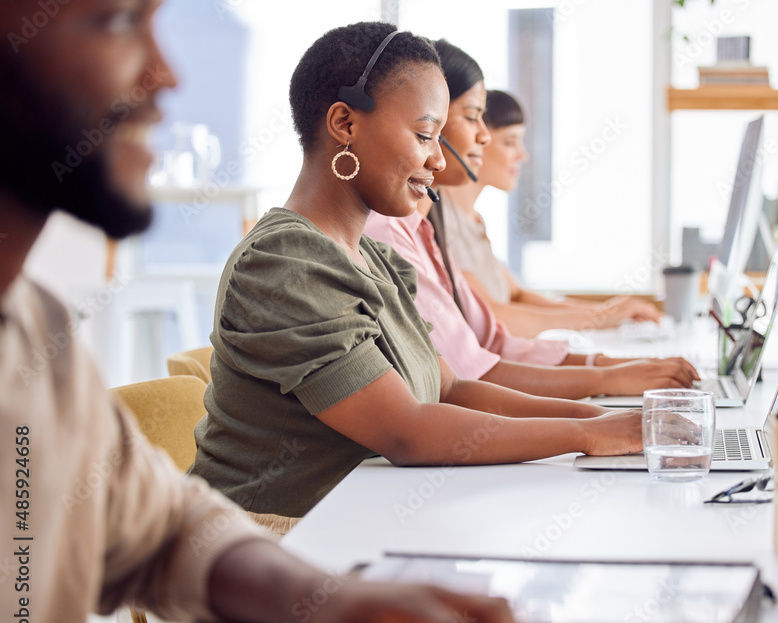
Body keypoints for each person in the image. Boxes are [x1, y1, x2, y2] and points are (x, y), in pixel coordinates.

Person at [0, 5, 525, 623]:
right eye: (114, 21)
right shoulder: (286, 258)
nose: (166, 74)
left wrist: (326, 599)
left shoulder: (35, 333)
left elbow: (163, 531)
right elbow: (411, 424)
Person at [190, 23, 645, 525]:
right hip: (262, 549)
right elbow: (407, 431)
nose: (436, 157)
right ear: (344, 123)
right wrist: (587, 436)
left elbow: (450, 389)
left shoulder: (373, 258)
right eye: (426, 134)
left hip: (353, 529)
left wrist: (603, 420)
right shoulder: (284, 263)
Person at [366, 41, 699, 399]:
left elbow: (497, 341)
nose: (483, 135)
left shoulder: (425, 232)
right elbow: (471, 373)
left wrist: (604, 366)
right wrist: (602, 388)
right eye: (471, 117)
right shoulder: (390, 233)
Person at [435, 89, 664, 337]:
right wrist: (602, 317)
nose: (522, 154)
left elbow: (517, 295)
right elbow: (492, 315)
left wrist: (608, 311)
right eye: (510, 142)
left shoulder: (475, 221)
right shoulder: (441, 220)